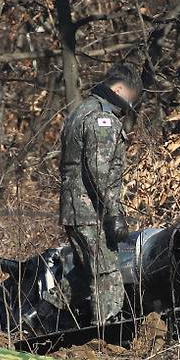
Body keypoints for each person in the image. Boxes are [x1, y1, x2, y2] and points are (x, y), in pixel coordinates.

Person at [59, 64, 142, 326]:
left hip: (74, 209)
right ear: (118, 90)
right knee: (106, 273)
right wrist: (114, 214)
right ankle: (108, 336)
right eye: (129, 99)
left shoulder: (80, 111)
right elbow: (100, 172)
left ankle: (45, 316)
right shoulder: (101, 119)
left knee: (84, 274)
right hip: (91, 212)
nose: (128, 106)